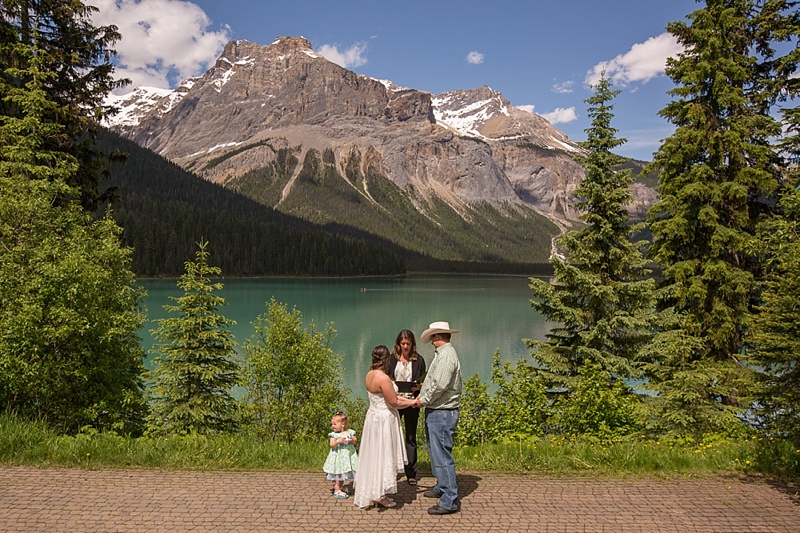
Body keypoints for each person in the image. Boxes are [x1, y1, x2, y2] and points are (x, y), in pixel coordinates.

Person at [353, 345, 416, 510]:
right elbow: (393, 402)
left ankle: (375, 490)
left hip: (373, 418)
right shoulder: (383, 378)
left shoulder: (369, 375)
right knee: (383, 455)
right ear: (387, 359)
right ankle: (379, 494)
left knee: (374, 455)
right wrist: (413, 402)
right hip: (384, 421)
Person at [414, 321, 462, 515]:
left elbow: (440, 385)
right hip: (439, 410)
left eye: (433, 336)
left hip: (442, 411)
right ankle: (442, 486)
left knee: (441, 455)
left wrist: (423, 399)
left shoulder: (446, 357)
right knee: (436, 452)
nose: (431, 340)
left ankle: (449, 499)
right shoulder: (444, 355)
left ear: (437, 337)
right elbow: (436, 382)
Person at [387, 329, 426, 486]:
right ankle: (391, 470)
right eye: (402, 344)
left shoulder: (419, 360)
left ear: (412, 344)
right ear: (398, 344)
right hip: (395, 401)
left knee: (410, 436)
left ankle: (411, 472)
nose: (405, 347)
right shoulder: (391, 359)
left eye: (408, 344)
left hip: (412, 402)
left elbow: (424, 379)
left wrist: (419, 387)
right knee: (391, 435)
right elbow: (386, 378)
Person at [322, 411, 358, 499]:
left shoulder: (349, 432)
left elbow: (355, 441)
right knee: (338, 474)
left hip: (346, 458)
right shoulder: (334, 435)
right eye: (332, 424)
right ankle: (337, 489)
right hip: (338, 458)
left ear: (342, 424)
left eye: (334, 424)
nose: (332, 426)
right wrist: (338, 441)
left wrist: (352, 439)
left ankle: (340, 487)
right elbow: (332, 445)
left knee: (343, 474)